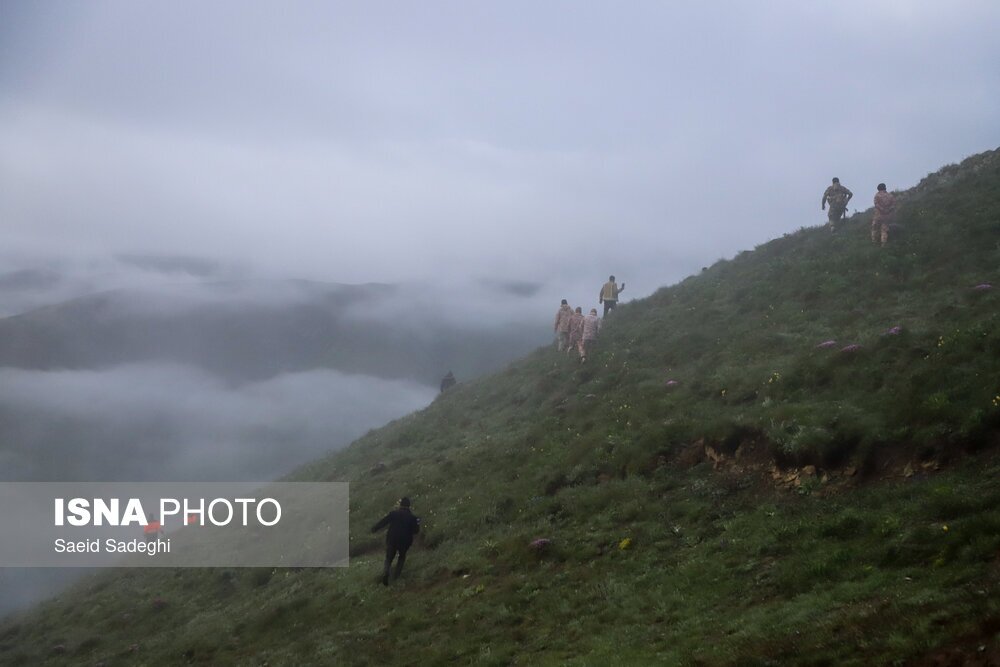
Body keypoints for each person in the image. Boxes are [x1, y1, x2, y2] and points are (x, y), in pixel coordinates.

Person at [371, 497, 420, 586]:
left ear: (401, 505)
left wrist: (375, 528)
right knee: (401, 557)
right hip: (405, 541)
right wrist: (417, 524)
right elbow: (416, 531)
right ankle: (395, 577)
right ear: (409, 506)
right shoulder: (413, 518)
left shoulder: (394, 513)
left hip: (392, 539)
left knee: (389, 558)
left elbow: (384, 522)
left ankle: (386, 572)